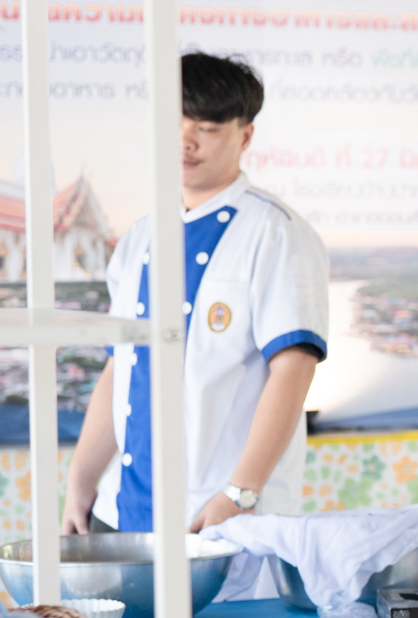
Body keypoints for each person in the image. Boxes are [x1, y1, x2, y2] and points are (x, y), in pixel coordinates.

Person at [61, 52, 328, 552]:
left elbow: (294, 368)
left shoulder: (275, 233)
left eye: (206, 128)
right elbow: (121, 367)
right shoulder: (139, 238)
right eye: (175, 124)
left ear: (244, 136)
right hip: (122, 510)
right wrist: (81, 479)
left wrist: (240, 492)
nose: (186, 141)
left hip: (221, 515)